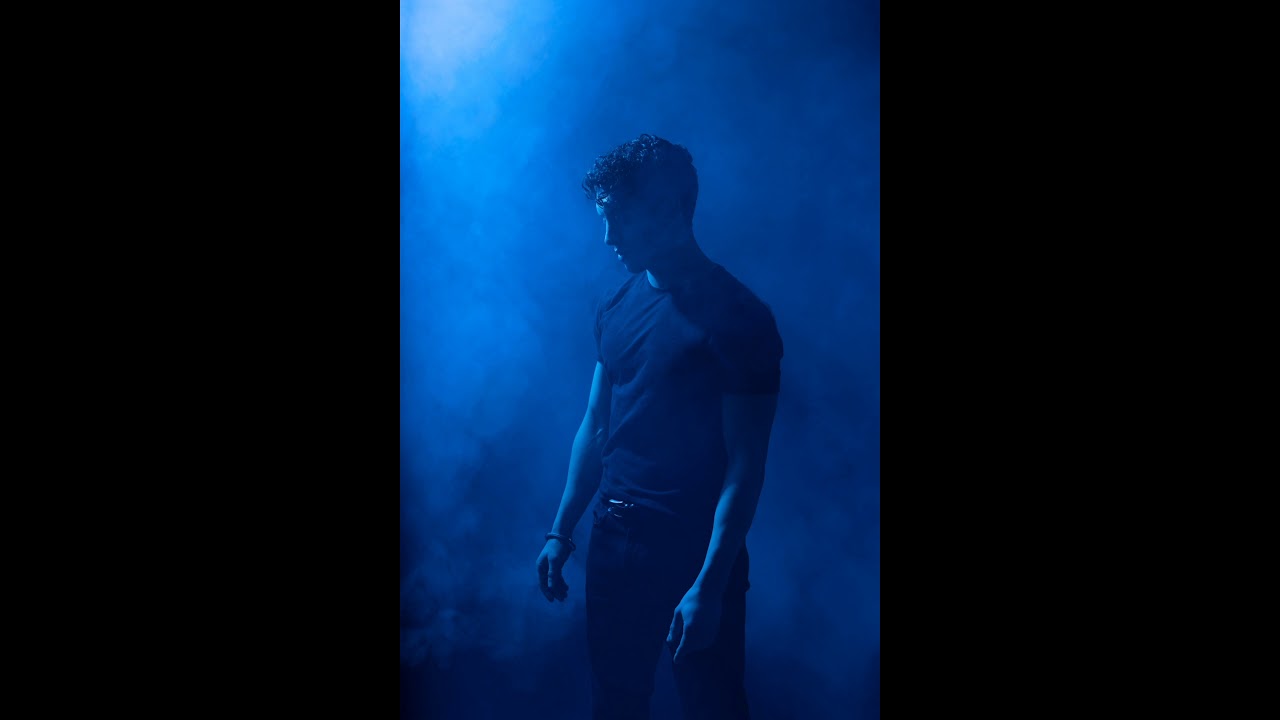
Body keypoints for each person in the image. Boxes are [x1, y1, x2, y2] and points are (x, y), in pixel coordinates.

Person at [535, 134, 783, 720]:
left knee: (714, 707)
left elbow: (745, 466)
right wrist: (561, 530)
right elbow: (596, 424)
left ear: (669, 208)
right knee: (614, 706)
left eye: (620, 217)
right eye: (604, 218)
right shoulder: (616, 305)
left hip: (692, 548)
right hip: (614, 541)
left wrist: (710, 585)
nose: (608, 237)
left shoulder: (741, 319)